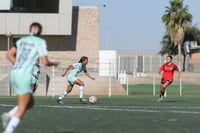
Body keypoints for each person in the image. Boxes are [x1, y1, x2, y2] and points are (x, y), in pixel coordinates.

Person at [1, 22, 59, 133]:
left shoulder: (21, 40)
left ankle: (8, 115)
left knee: (30, 103)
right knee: (22, 108)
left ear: (29, 31)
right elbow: (45, 62)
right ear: (41, 32)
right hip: (24, 75)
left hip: (14, 73)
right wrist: (54, 63)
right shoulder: (40, 42)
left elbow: (9, 54)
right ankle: (8, 130)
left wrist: (18, 64)